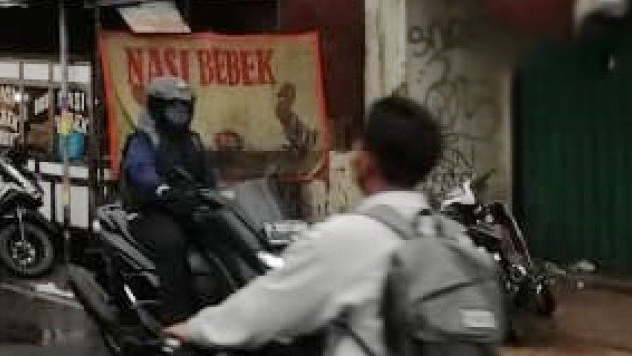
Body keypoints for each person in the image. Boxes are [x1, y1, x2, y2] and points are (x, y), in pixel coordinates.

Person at [167, 96, 445, 356]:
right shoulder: (450, 237)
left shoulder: (346, 237)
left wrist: (192, 330)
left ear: (367, 161)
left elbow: (266, 308)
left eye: (360, 145)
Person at [121, 76, 218, 324]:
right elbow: (140, 170)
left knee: (227, 237)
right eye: (174, 107)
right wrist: (161, 189)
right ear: (157, 108)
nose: (181, 113)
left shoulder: (193, 140)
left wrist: (223, 194)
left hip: (188, 209)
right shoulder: (143, 139)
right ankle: (176, 323)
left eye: (185, 108)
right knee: (172, 243)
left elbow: (209, 176)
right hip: (150, 212)